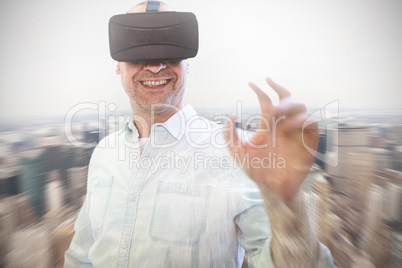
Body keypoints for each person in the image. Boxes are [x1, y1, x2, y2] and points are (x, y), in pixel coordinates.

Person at [65, 1, 336, 267]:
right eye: (138, 50)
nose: (156, 66)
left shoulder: (238, 154)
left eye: (170, 49)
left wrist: (285, 203)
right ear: (117, 65)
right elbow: (80, 256)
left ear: (187, 63)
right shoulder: (104, 153)